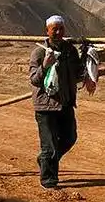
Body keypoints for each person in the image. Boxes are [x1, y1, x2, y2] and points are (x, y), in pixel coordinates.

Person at [28, 15, 94, 188]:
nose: (58, 32)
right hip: (45, 106)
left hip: (65, 103)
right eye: (54, 29)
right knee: (49, 146)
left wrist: (88, 67)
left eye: (61, 29)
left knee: (69, 138)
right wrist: (45, 65)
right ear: (47, 31)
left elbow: (77, 72)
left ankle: (45, 161)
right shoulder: (39, 52)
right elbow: (34, 79)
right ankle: (48, 181)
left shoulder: (69, 50)